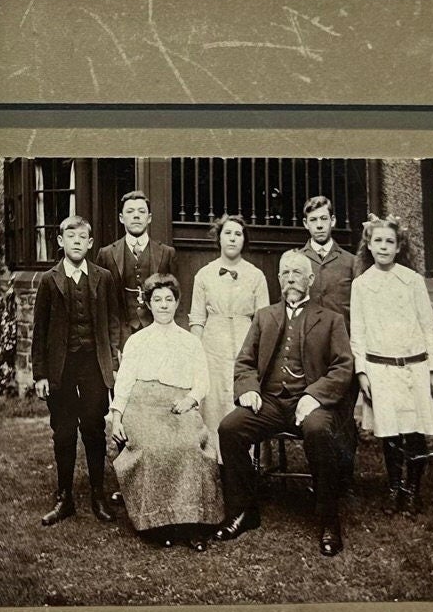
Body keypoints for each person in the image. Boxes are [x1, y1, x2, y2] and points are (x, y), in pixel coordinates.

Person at [217, 248, 356, 556]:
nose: (291, 278)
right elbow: (244, 361)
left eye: (297, 273)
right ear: (278, 279)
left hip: (309, 403)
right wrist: (248, 389)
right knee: (229, 428)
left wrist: (314, 395)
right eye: (285, 273)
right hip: (269, 402)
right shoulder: (265, 316)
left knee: (320, 432)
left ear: (310, 278)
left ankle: (328, 519)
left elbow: (343, 367)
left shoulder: (331, 319)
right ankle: (244, 510)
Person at [107, 273, 219, 549]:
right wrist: (118, 416)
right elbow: (124, 382)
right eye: (157, 300)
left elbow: (202, 380)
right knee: (154, 447)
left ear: (177, 302)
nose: (164, 305)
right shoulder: (137, 341)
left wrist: (190, 399)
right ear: (148, 304)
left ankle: (192, 523)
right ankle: (157, 524)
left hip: (178, 404)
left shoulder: (190, 341)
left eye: (169, 299)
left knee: (189, 446)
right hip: (142, 405)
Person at [350, 215, 433, 511]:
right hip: (380, 370)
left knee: (415, 431)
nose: (383, 246)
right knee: (390, 432)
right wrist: (362, 371)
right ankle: (394, 488)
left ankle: (413, 490)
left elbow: (428, 326)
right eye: (377, 241)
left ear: (399, 246)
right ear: (369, 244)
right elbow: (359, 332)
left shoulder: (412, 281)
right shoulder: (362, 285)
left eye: (389, 241)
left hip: (414, 367)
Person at [30, 215, 118, 526]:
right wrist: (40, 374)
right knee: (64, 431)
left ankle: (98, 495)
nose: (77, 241)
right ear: (60, 242)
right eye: (71, 236)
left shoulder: (103, 277)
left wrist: (114, 364)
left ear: (91, 243)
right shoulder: (49, 279)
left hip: (94, 363)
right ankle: (64, 497)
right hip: (61, 367)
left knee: (94, 428)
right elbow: (39, 331)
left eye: (83, 237)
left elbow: (113, 323)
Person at [187, 213, 269, 454]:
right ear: (219, 238)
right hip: (213, 344)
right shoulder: (204, 274)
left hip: (246, 342)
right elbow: (197, 319)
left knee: (242, 398)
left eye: (238, 234)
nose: (233, 238)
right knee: (213, 402)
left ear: (244, 240)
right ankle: (213, 459)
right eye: (228, 233)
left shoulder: (256, 275)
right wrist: (195, 355)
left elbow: (264, 320)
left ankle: (248, 461)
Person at [96, 190, 177, 353]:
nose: (136, 216)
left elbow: (176, 298)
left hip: (158, 332)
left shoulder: (167, 253)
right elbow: (101, 303)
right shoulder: (106, 254)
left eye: (141, 211)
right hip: (121, 337)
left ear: (149, 218)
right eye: (130, 211)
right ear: (121, 218)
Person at [298, 194, 357, 323]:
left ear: (333, 220)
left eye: (324, 218)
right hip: (306, 338)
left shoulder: (351, 262)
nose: (319, 225)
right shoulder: (297, 260)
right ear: (305, 223)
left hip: (341, 337)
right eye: (313, 220)